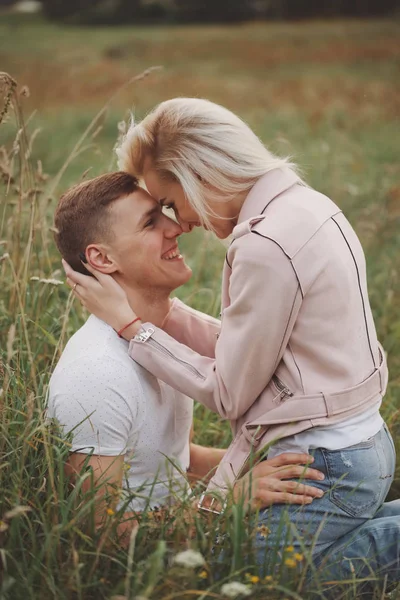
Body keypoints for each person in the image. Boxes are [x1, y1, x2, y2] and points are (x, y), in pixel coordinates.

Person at [62, 98, 399, 593]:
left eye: (170, 204)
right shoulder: (307, 207)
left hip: (327, 461)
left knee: (270, 585)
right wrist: (159, 319)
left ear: (200, 172)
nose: (180, 223)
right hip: (354, 448)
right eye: (157, 217)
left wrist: (137, 328)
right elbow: (254, 352)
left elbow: (229, 392)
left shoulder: (267, 243)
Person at [49, 171, 325, 540]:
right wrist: (230, 499)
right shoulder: (96, 373)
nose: (176, 227)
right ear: (101, 258)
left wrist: (263, 469)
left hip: (201, 530)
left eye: (164, 211)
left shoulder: (160, 340)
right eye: (150, 222)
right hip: (176, 563)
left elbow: (180, 459)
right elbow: (100, 536)